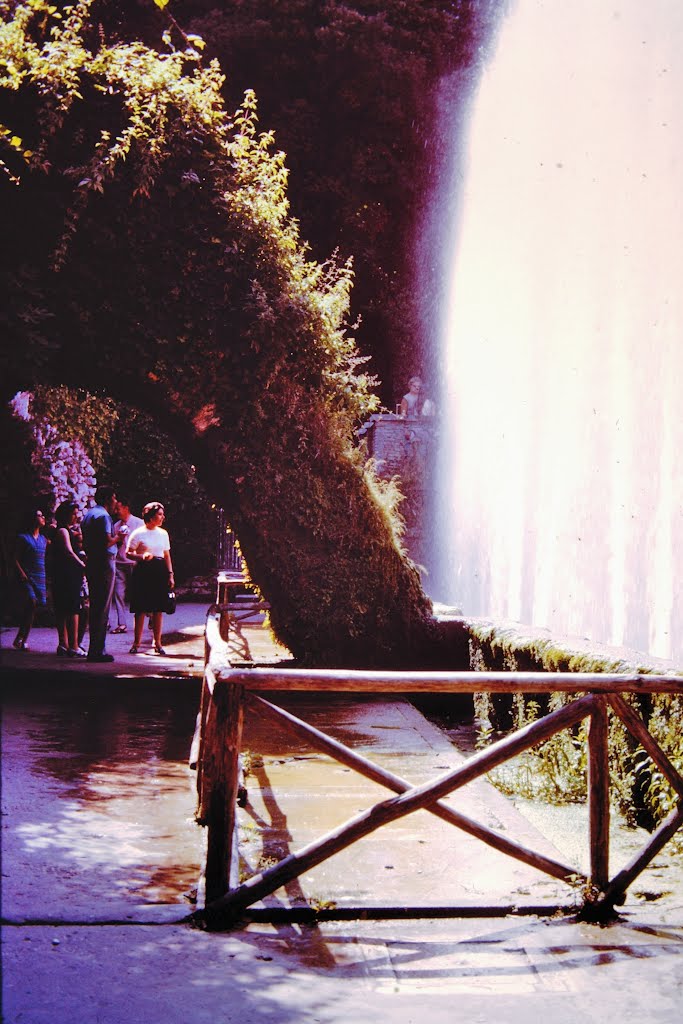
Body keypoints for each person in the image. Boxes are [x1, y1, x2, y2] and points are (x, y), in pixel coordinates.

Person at [126, 501, 175, 656]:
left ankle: (158, 642)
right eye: (159, 514)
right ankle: (136, 643)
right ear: (151, 516)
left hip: (159, 571)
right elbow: (128, 553)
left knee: (158, 609)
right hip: (143, 571)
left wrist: (170, 574)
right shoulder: (138, 533)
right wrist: (141, 556)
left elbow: (167, 555)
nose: (162, 517)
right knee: (140, 609)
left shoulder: (163, 533)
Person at [81, 485, 121, 663]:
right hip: (104, 562)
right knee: (103, 606)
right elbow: (106, 542)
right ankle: (98, 650)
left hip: (92, 562)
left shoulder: (89, 514)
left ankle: (94, 648)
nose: (115, 503)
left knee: (96, 605)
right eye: (113, 499)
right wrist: (119, 537)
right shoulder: (104, 516)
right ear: (107, 499)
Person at [51, 500, 87, 657]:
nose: (76, 516)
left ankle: (63, 644)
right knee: (73, 608)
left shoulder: (66, 531)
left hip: (62, 573)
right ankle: (73, 645)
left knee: (63, 608)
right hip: (68, 574)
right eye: (73, 513)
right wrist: (83, 566)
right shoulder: (63, 531)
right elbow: (68, 551)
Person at [12, 508, 49, 650]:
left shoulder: (44, 539)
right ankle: (22, 638)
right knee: (31, 602)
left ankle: (21, 638)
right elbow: (15, 558)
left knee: (32, 608)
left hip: (40, 576)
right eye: (40, 516)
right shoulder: (23, 538)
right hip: (27, 576)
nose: (43, 518)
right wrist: (21, 573)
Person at [109, 499, 143, 634]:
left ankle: (150, 615)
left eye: (118, 508)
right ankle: (121, 623)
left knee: (140, 593)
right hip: (120, 564)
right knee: (118, 593)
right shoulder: (116, 526)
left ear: (126, 508)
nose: (116, 512)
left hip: (135, 563)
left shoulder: (139, 523)